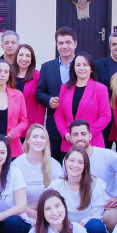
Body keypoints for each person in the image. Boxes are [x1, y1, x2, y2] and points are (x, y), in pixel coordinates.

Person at [48, 146, 109, 233]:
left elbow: (97, 215)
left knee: (96, 227)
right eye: (72, 160)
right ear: (65, 162)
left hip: (87, 229)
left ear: (85, 165)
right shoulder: (57, 185)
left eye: (80, 162)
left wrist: (77, 228)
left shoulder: (95, 184)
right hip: (63, 229)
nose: (75, 165)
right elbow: (47, 210)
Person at [68, 120, 117, 229]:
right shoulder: (69, 161)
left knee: (110, 219)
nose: (80, 138)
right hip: (83, 205)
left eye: (83, 134)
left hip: (109, 204)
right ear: (71, 138)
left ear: (90, 136)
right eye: (75, 135)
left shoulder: (107, 155)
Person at [54, 52, 111, 153]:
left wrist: (87, 134)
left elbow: (106, 116)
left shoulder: (100, 89)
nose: (81, 68)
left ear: (91, 68)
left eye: (85, 65)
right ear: (74, 68)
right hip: (70, 142)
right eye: (78, 65)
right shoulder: (64, 88)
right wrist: (64, 133)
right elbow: (59, 114)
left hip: (92, 142)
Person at [36, 27, 78, 160]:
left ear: (75, 43)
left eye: (68, 42)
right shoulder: (47, 67)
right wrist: (49, 100)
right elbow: (39, 92)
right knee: (54, 162)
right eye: (60, 43)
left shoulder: (83, 65)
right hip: (54, 125)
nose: (64, 46)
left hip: (78, 123)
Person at [11, 124, 63, 217]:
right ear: (27, 140)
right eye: (35, 137)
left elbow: (60, 195)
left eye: (43, 138)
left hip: (49, 212)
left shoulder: (55, 165)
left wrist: (44, 214)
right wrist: (35, 215)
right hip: (23, 212)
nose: (39, 140)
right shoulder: (16, 165)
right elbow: (12, 198)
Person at [95, 31, 117, 150]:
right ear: (110, 46)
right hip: (104, 114)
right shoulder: (99, 65)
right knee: (103, 149)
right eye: (114, 44)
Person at [11, 44, 45, 138]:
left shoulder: (38, 75)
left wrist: (38, 126)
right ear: (16, 57)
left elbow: (41, 104)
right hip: (11, 125)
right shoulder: (9, 76)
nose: (24, 59)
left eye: (28, 56)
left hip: (30, 125)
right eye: (21, 55)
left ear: (32, 59)